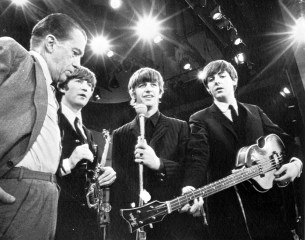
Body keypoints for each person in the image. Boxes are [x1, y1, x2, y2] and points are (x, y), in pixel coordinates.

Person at [182, 59, 303, 240]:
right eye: (211, 80)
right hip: (229, 209)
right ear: (208, 89)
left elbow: (287, 142)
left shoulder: (255, 112)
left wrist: (296, 164)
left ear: (234, 80)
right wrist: (190, 185)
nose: (216, 81)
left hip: (267, 207)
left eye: (222, 76)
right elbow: (198, 156)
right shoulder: (200, 119)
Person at [0, 13, 87, 239]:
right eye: (75, 53)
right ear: (50, 43)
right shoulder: (12, 53)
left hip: (47, 196)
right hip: (17, 191)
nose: (78, 65)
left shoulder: (52, 91)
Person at [110, 67, 203, 240]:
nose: (148, 89)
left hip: (173, 217)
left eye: (153, 85)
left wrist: (159, 164)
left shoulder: (180, 126)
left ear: (160, 92)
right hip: (136, 219)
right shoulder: (120, 134)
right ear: (132, 93)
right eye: (142, 85)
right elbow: (120, 182)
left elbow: (189, 170)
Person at [55, 66, 116, 240]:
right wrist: (69, 162)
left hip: (87, 220)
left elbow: (91, 174)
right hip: (59, 217)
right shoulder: (51, 119)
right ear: (62, 87)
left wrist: (106, 174)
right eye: (79, 82)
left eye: (89, 85)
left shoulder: (87, 133)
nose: (85, 87)